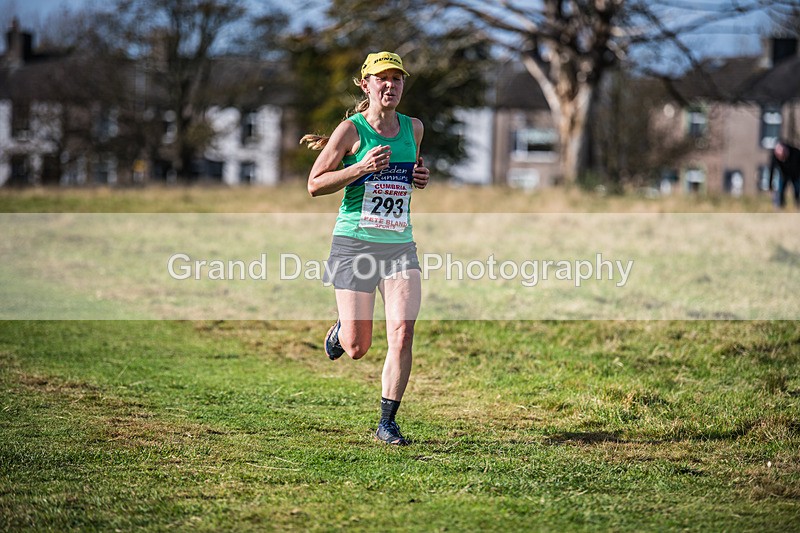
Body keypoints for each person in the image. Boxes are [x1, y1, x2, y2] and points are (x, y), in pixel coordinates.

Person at [301, 51, 430, 445]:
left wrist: (420, 175)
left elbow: (408, 170)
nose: (390, 85)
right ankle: (343, 330)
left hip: (399, 246)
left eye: (397, 79)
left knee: (403, 334)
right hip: (354, 244)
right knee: (358, 347)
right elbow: (314, 183)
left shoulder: (414, 128)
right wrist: (360, 168)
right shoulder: (350, 131)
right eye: (382, 79)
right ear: (366, 84)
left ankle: (387, 423)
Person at [769, 140, 800, 209]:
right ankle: (781, 206)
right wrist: (770, 184)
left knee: (797, 190)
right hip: (783, 174)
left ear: (786, 151)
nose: (782, 158)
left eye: (783, 156)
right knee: (781, 190)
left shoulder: (796, 153)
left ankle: (797, 206)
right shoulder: (775, 156)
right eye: (780, 157)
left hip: (796, 174)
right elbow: (772, 170)